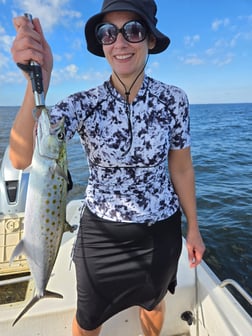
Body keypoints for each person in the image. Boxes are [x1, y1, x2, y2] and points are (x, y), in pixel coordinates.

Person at [9, 0, 205, 335]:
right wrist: (36, 80)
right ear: (101, 44)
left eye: (133, 30)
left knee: (154, 303)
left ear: (151, 39)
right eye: (107, 33)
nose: (120, 42)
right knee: (88, 321)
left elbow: (182, 169)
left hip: (160, 233)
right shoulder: (83, 104)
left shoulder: (173, 100)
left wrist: (195, 228)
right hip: (101, 235)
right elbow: (21, 157)